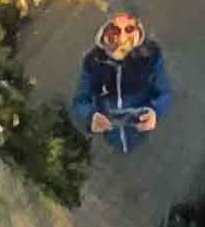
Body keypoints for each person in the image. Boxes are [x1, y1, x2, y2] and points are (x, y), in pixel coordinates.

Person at [71, 9, 170, 155]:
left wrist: (155, 112)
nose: (122, 38)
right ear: (103, 32)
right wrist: (90, 116)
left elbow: (164, 92)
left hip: (141, 135)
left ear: (138, 30)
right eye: (114, 30)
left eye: (129, 29)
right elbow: (80, 101)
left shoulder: (150, 55)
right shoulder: (93, 62)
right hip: (110, 137)